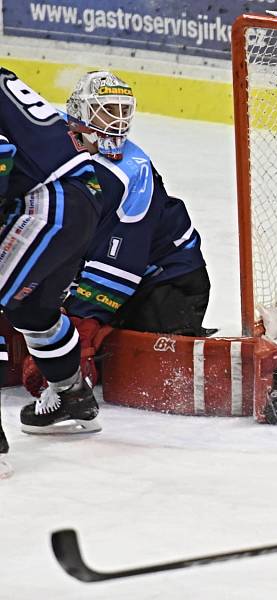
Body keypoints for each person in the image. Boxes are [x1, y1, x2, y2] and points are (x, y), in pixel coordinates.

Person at [21, 70, 212, 398]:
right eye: (107, 109)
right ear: (79, 109)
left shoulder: (132, 172)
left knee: (150, 364)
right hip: (113, 263)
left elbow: (123, 261)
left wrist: (82, 322)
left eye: (124, 111)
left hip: (168, 279)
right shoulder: (53, 136)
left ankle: (276, 375)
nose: (117, 121)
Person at [0, 66, 103, 436]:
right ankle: (72, 396)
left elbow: (1, 153)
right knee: (29, 309)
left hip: (48, 203)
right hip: (78, 195)